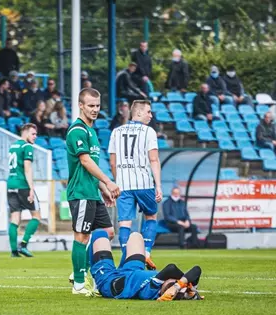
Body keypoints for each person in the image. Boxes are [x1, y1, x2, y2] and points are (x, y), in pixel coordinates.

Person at [65, 88, 120, 295]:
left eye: (97, 105)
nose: (95, 109)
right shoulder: (77, 130)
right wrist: (108, 181)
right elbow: (85, 161)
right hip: (80, 192)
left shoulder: (92, 131)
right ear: (81, 105)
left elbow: (90, 168)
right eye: (91, 105)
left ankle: (79, 270)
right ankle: (78, 284)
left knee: (108, 232)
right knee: (82, 236)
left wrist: (103, 188)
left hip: (92, 192)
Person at [109, 100, 162, 270]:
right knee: (151, 216)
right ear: (138, 113)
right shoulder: (149, 132)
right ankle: (146, 252)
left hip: (123, 185)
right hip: (144, 182)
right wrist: (158, 186)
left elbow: (112, 162)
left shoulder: (116, 132)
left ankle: (127, 258)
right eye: (148, 111)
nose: (151, 115)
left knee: (124, 223)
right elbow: (154, 159)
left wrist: (118, 181)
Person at [90, 230, 203, 301]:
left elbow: (171, 268)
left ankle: (92, 282)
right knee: (136, 236)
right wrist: (189, 288)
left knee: (100, 234)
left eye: (171, 283)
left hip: (110, 281)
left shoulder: (151, 291)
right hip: (133, 270)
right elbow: (197, 270)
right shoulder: (175, 285)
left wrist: (177, 287)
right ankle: (125, 259)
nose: (173, 280)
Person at [7, 123, 41, 258]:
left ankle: (14, 251)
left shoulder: (13, 146)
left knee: (15, 218)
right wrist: (31, 188)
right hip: (23, 185)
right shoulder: (27, 146)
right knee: (36, 216)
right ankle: (23, 244)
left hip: (11, 184)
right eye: (33, 134)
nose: (35, 136)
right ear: (25, 133)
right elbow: (27, 168)